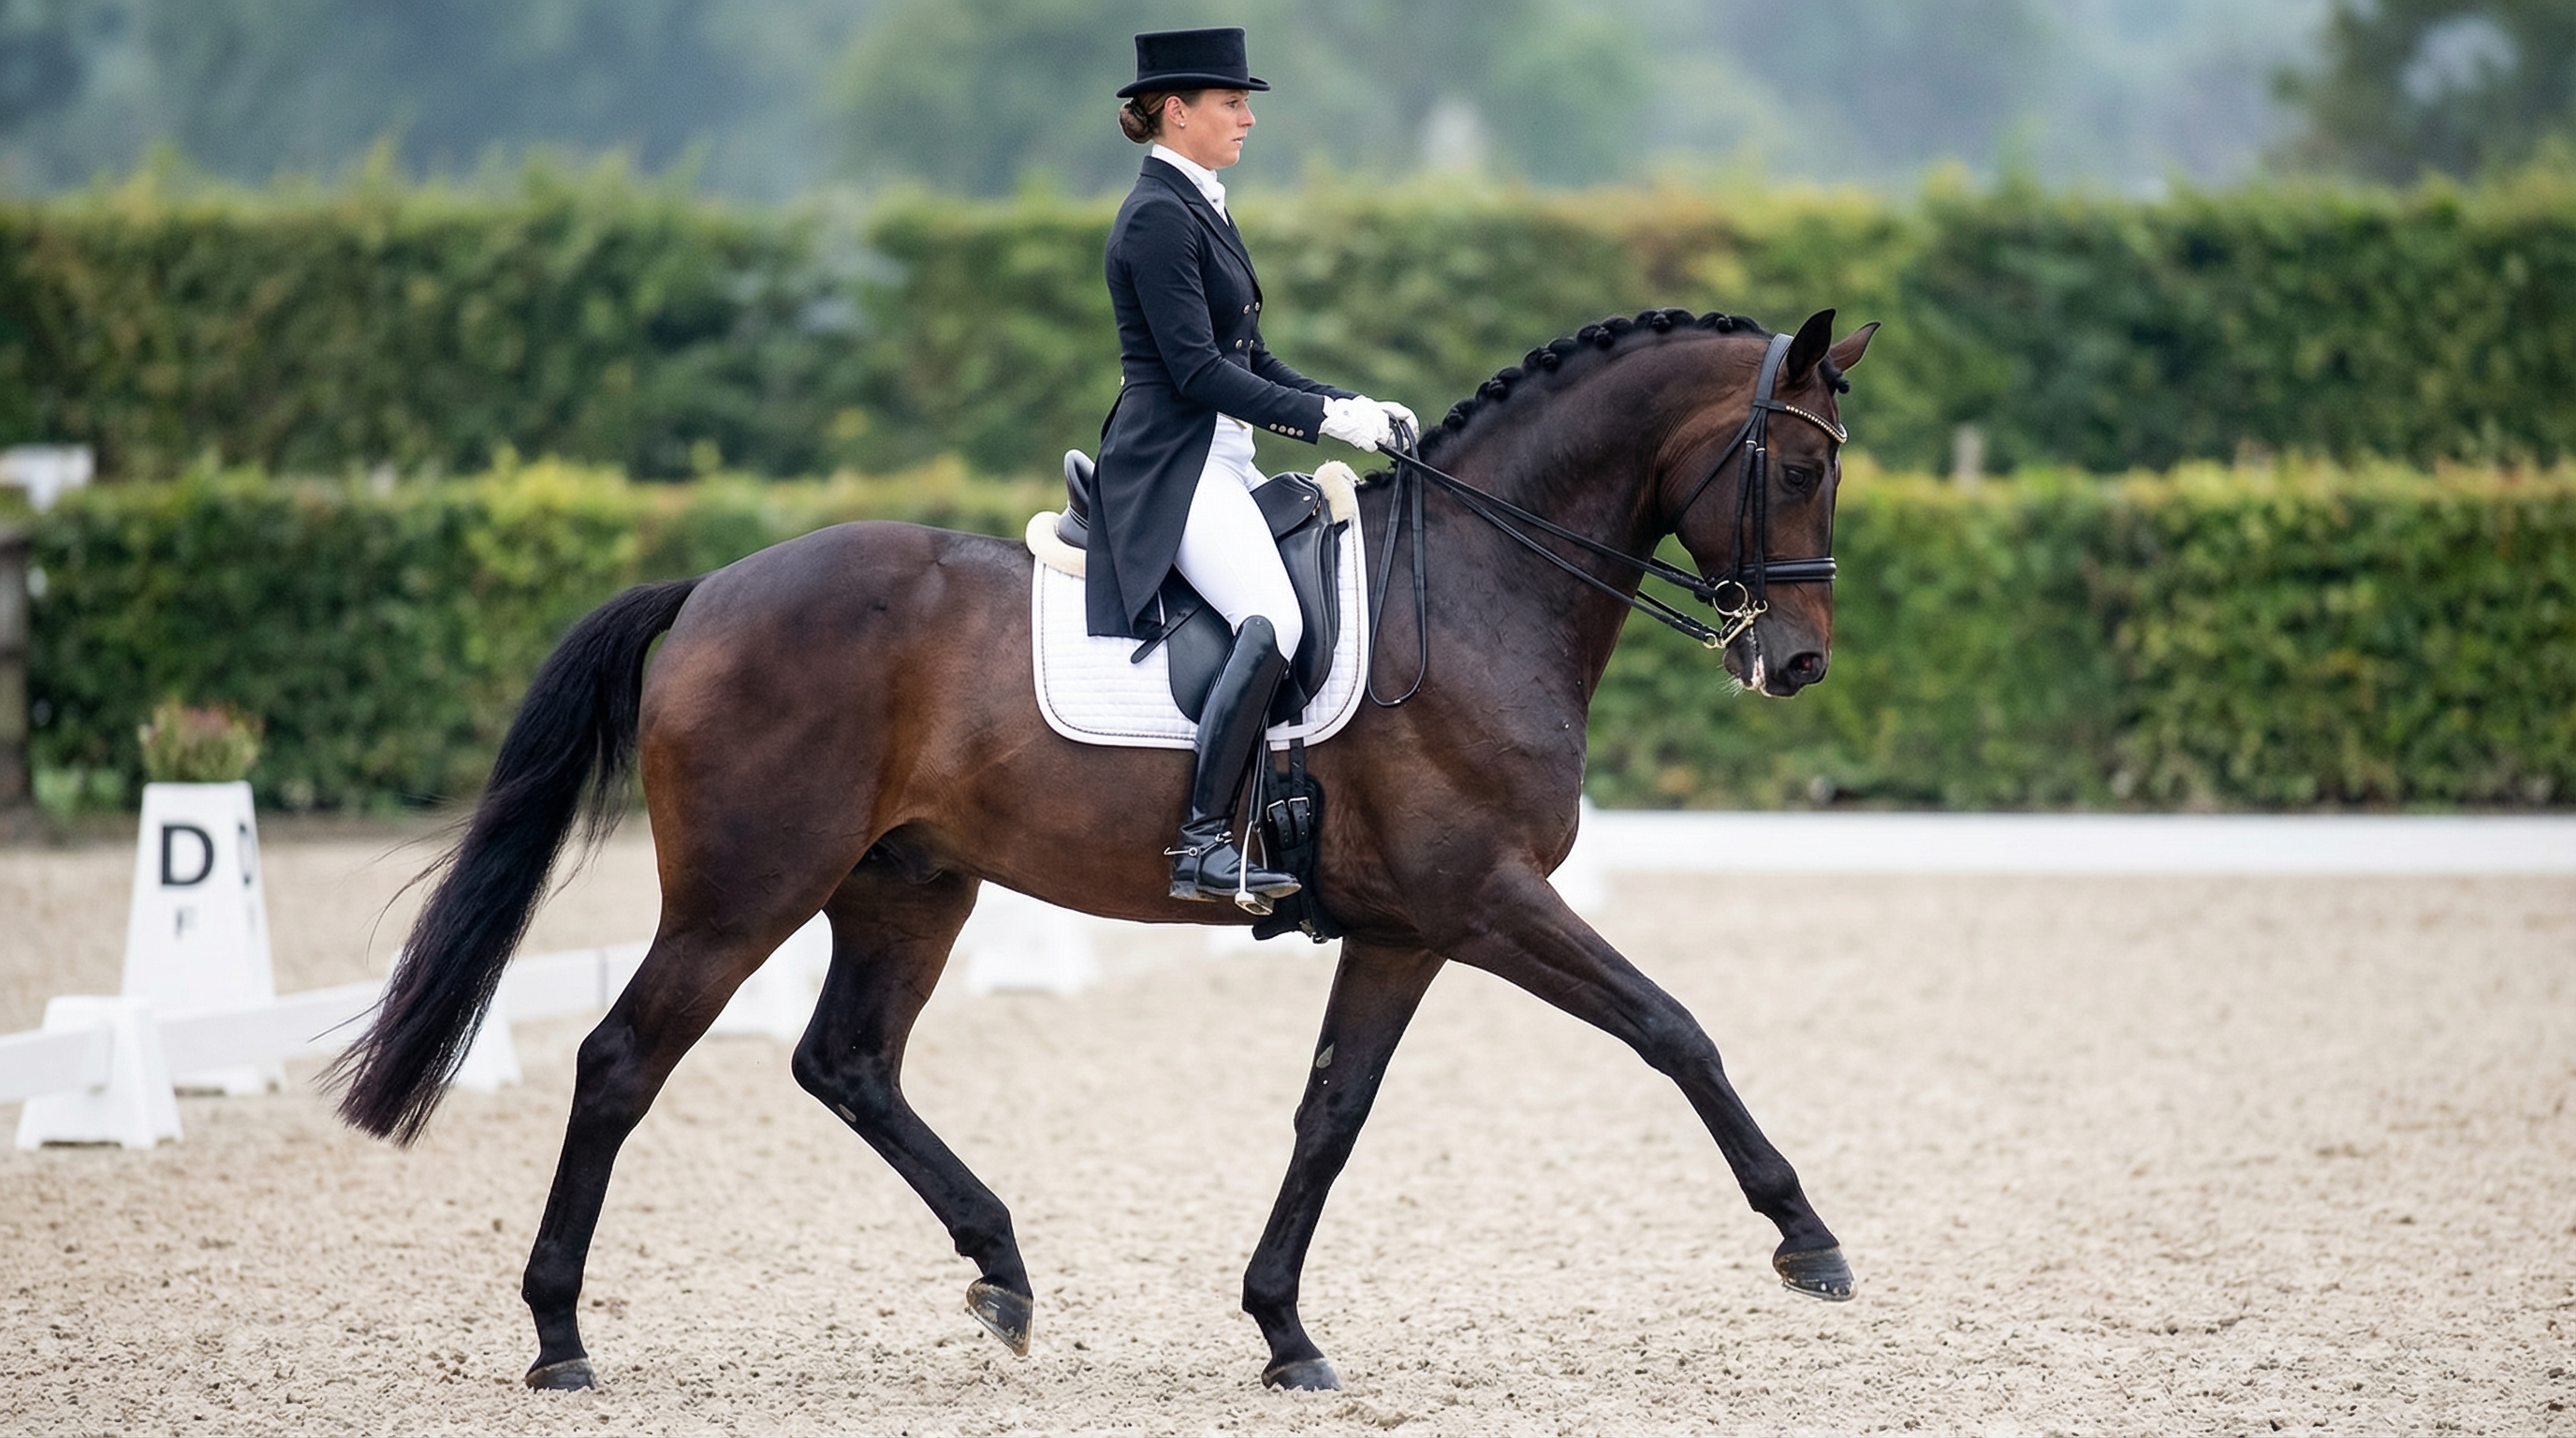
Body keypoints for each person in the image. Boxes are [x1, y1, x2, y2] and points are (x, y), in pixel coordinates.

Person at [1091, 27, 1412, 907]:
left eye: (1246, 104)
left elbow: (1254, 359)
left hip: (1222, 458)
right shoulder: (1158, 214)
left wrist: (1353, 408)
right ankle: (1200, 844)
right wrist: (1323, 420)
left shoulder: (1203, 204)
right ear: (1177, 110)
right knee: (1271, 617)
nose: (1247, 120)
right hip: (1173, 463)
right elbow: (1197, 372)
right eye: (1233, 104)